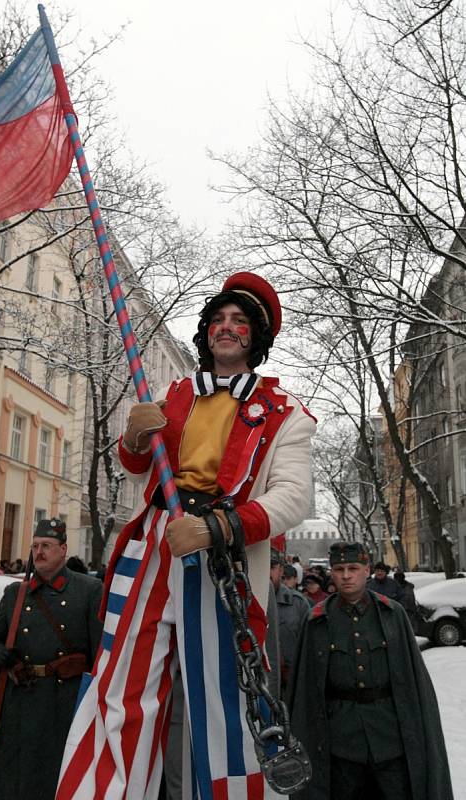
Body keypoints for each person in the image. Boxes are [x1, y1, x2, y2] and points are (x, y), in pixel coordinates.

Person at [58, 272, 316, 800]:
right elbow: (137, 468)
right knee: (123, 686)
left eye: (239, 321)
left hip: (223, 556)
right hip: (156, 544)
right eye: (218, 319)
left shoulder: (287, 414)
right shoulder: (175, 395)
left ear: (256, 337)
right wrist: (132, 436)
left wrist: (216, 527)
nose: (226, 328)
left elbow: (293, 498)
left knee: (226, 701)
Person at [287, 541, 454, 800]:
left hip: (389, 739)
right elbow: (306, 690)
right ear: (331, 572)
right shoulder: (317, 620)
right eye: (339, 568)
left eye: (353, 567)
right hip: (342, 743)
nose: (346, 575)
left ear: (366, 570)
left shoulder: (391, 614)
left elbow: (412, 680)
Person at [0, 518, 103, 800]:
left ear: (63, 550)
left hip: (63, 706)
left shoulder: (89, 591)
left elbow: (100, 657)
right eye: (35, 546)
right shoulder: (15, 593)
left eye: (46, 545)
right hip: (20, 703)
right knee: (13, 781)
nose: (39, 552)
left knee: (55, 780)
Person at [268, 551, 309, 693]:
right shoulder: (242, 604)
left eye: (271, 567)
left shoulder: (298, 604)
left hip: (292, 687)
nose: (266, 573)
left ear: (281, 570)